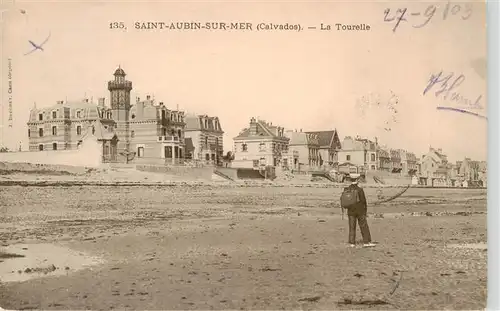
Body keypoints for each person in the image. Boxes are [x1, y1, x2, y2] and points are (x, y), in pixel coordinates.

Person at [342, 174, 376, 248]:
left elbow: (344, 200)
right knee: (364, 226)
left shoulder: (346, 189)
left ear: (351, 180)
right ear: (357, 180)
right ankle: (366, 242)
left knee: (352, 227)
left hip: (350, 211)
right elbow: (364, 201)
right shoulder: (360, 190)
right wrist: (365, 211)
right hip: (360, 211)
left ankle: (352, 243)